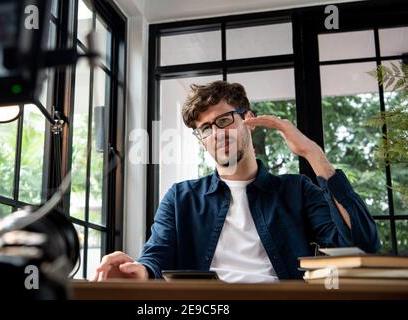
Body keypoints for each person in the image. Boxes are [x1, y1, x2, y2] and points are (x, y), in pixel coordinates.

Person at [91, 81, 380, 283]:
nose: (215, 134)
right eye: (205, 129)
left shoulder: (297, 190)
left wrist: (312, 153)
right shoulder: (181, 198)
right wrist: (138, 271)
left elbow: (359, 245)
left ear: (248, 120)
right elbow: (156, 256)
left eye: (224, 121)